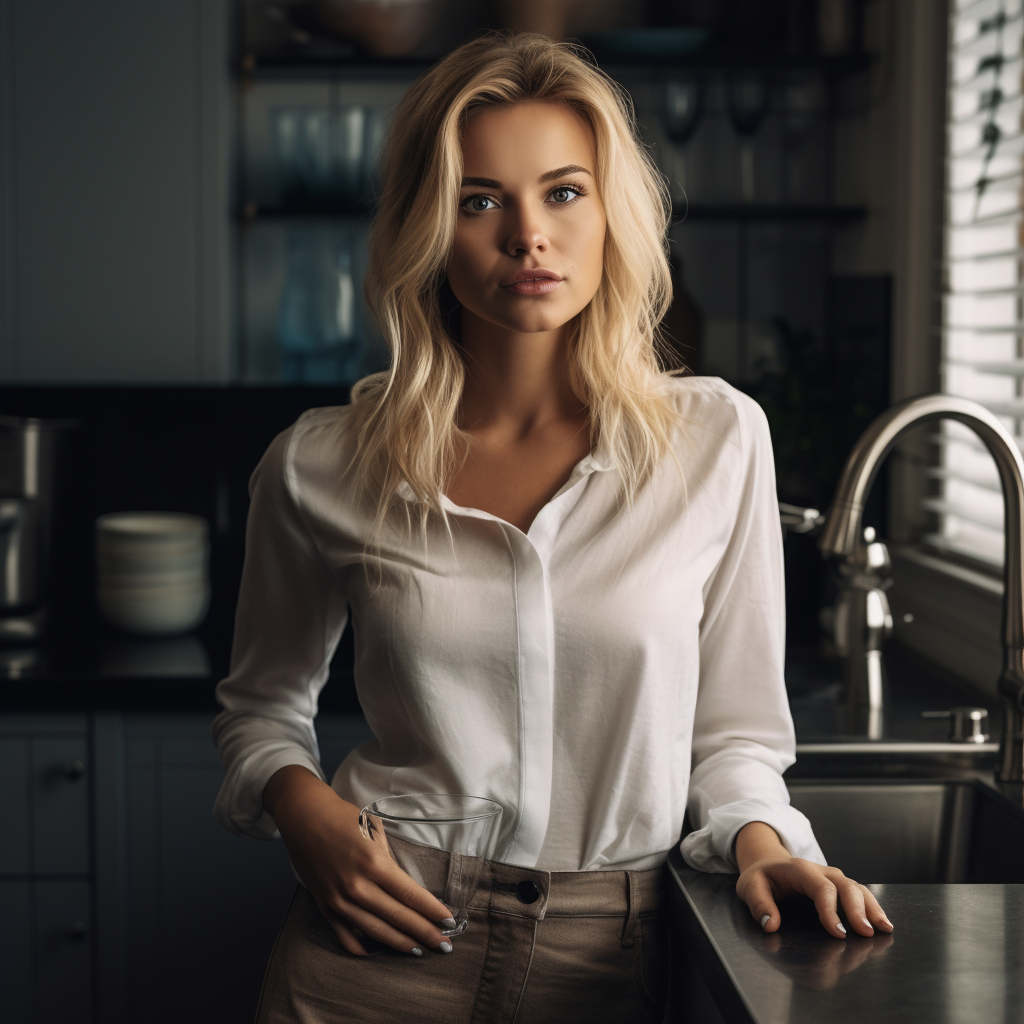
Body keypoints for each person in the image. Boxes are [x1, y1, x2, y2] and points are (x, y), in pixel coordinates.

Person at [212, 30, 892, 1024]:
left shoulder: (714, 441)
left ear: (612, 212)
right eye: (478, 200)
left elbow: (737, 736)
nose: (527, 235)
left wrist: (765, 842)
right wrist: (302, 805)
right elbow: (258, 709)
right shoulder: (322, 461)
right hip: (372, 946)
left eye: (563, 192)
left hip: (612, 958)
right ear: (428, 229)